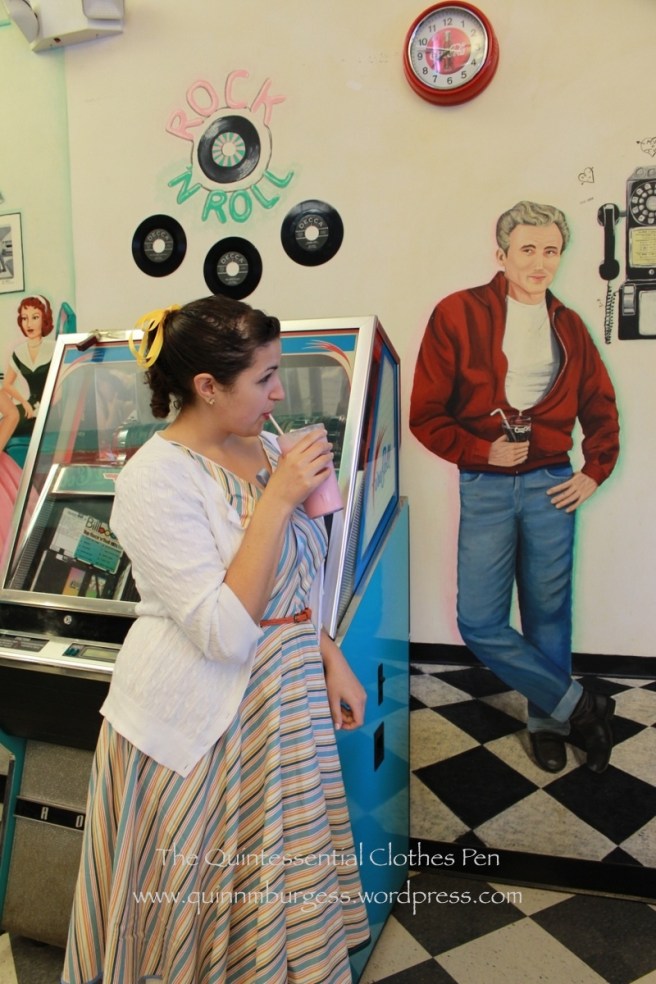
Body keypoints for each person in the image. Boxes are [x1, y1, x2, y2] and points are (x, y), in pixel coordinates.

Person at [62, 296, 369, 984]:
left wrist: (328, 651)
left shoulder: (264, 447)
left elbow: (295, 578)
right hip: (203, 730)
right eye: (264, 378)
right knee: (198, 920)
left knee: (276, 908)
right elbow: (227, 633)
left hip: (283, 711)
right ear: (207, 386)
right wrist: (279, 501)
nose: (279, 392)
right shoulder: (153, 479)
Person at [409, 200, 620, 775]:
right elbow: (425, 415)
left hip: (553, 483)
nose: (540, 262)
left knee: (549, 613)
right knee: (479, 620)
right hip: (486, 485)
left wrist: (592, 472)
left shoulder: (569, 325)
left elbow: (601, 405)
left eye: (551, 250)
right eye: (528, 249)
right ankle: (581, 707)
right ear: (501, 254)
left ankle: (551, 722)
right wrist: (482, 451)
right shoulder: (456, 314)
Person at [0, 294, 56, 454]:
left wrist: (45, 408)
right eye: (25, 318)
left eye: (35, 317)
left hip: (50, 409)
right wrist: (23, 402)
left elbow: (60, 388)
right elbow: (7, 385)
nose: (29, 324)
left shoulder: (55, 348)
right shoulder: (19, 352)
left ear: (45, 319)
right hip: (30, 405)